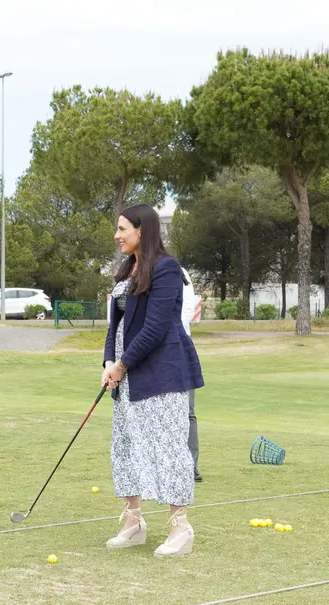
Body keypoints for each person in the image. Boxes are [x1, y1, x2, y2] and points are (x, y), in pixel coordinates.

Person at [101, 204, 205, 557]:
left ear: (141, 230)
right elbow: (115, 326)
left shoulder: (167, 268)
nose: (117, 235)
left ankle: (180, 527)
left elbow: (157, 327)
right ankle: (134, 523)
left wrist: (123, 364)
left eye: (122, 229)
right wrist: (108, 362)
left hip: (161, 372)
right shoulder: (127, 269)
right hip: (126, 374)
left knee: (168, 447)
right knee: (127, 445)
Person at [180, 266, 203, 483]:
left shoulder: (180, 272)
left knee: (188, 412)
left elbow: (186, 313)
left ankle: (190, 466)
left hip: (181, 348)